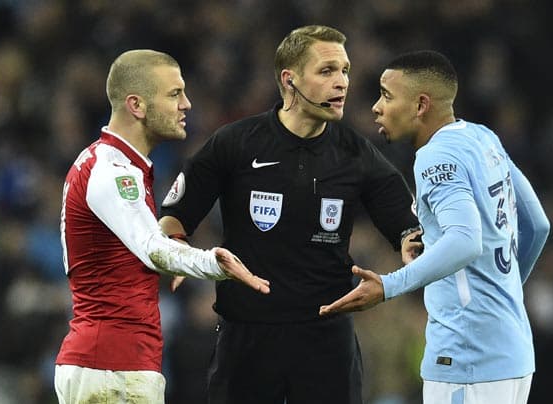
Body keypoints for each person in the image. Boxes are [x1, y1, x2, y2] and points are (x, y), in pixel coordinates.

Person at [159, 26, 419, 404]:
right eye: (327, 71)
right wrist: (178, 252)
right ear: (290, 80)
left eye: (345, 70)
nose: (342, 82)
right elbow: (175, 218)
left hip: (326, 340)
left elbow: (405, 224)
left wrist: (412, 245)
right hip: (247, 336)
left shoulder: (356, 154)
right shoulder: (235, 143)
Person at [319, 50, 551, 404]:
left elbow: (465, 239)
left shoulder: (434, 156)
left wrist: (388, 285)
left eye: (387, 95)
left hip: (467, 357)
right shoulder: (482, 138)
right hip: (512, 351)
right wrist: (500, 295)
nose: (376, 108)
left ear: (421, 104)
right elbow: (537, 224)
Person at [54, 49, 270, 404]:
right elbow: (154, 249)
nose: (186, 104)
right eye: (174, 94)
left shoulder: (108, 163)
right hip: (113, 367)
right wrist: (215, 263)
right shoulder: (114, 172)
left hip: (110, 363)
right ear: (136, 105)